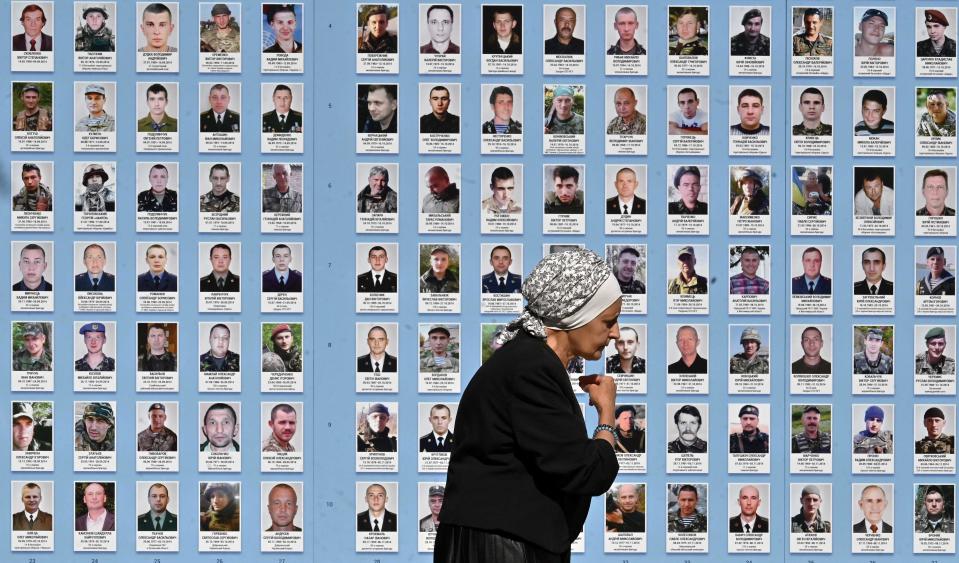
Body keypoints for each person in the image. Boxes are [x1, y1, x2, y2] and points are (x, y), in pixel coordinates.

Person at [435, 249, 621, 560]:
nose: (615, 333)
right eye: (608, 321)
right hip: (502, 549)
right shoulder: (531, 368)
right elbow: (587, 471)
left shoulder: (526, 361)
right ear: (573, 314)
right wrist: (606, 415)